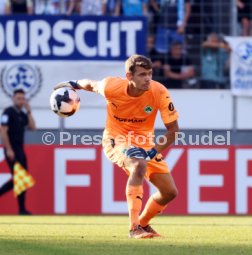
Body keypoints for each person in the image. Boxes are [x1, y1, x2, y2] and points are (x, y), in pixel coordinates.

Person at [54, 55, 179, 239]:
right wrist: (73, 83)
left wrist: (151, 152)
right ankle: (134, 227)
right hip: (116, 139)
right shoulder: (111, 87)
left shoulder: (158, 91)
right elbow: (91, 84)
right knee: (138, 165)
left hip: (145, 143)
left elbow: (173, 131)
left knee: (169, 192)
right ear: (129, 76)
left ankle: (143, 224)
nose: (148, 79)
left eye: (150, 74)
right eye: (142, 74)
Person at [0, 89, 36, 214]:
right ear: (13, 99)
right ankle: (21, 209)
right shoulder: (8, 112)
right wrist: (8, 149)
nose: (21, 101)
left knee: (21, 179)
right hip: (11, 149)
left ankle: (22, 209)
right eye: (18, 98)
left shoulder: (22, 114)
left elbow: (32, 127)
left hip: (20, 150)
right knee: (19, 178)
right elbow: (3, 131)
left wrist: (29, 110)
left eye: (23, 98)